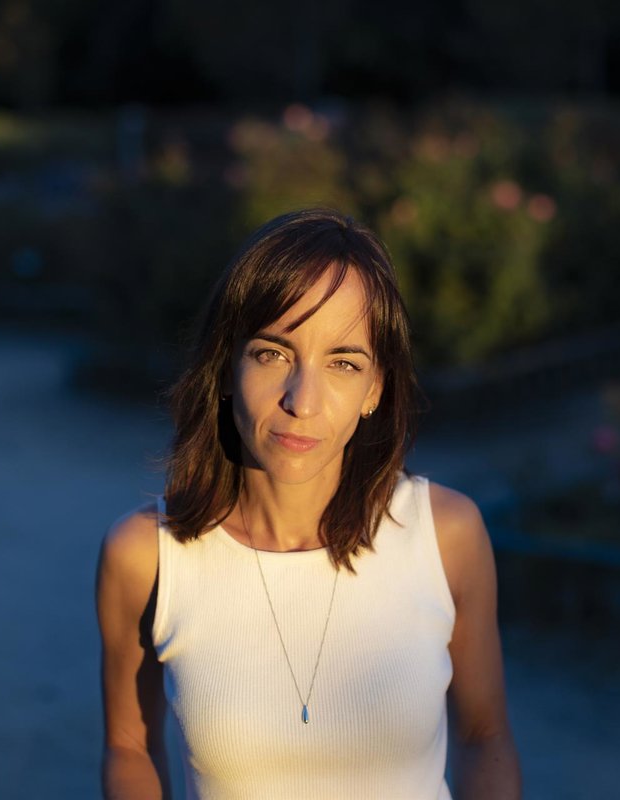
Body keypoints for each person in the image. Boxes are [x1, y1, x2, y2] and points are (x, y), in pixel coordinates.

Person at [96, 208, 520, 799]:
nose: (303, 401)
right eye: (273, 353)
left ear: (375, 389)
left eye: (344, 363)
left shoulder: (446, 535)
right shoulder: (146, 556)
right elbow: (129, 745)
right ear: (226, 365)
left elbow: (484, 734)